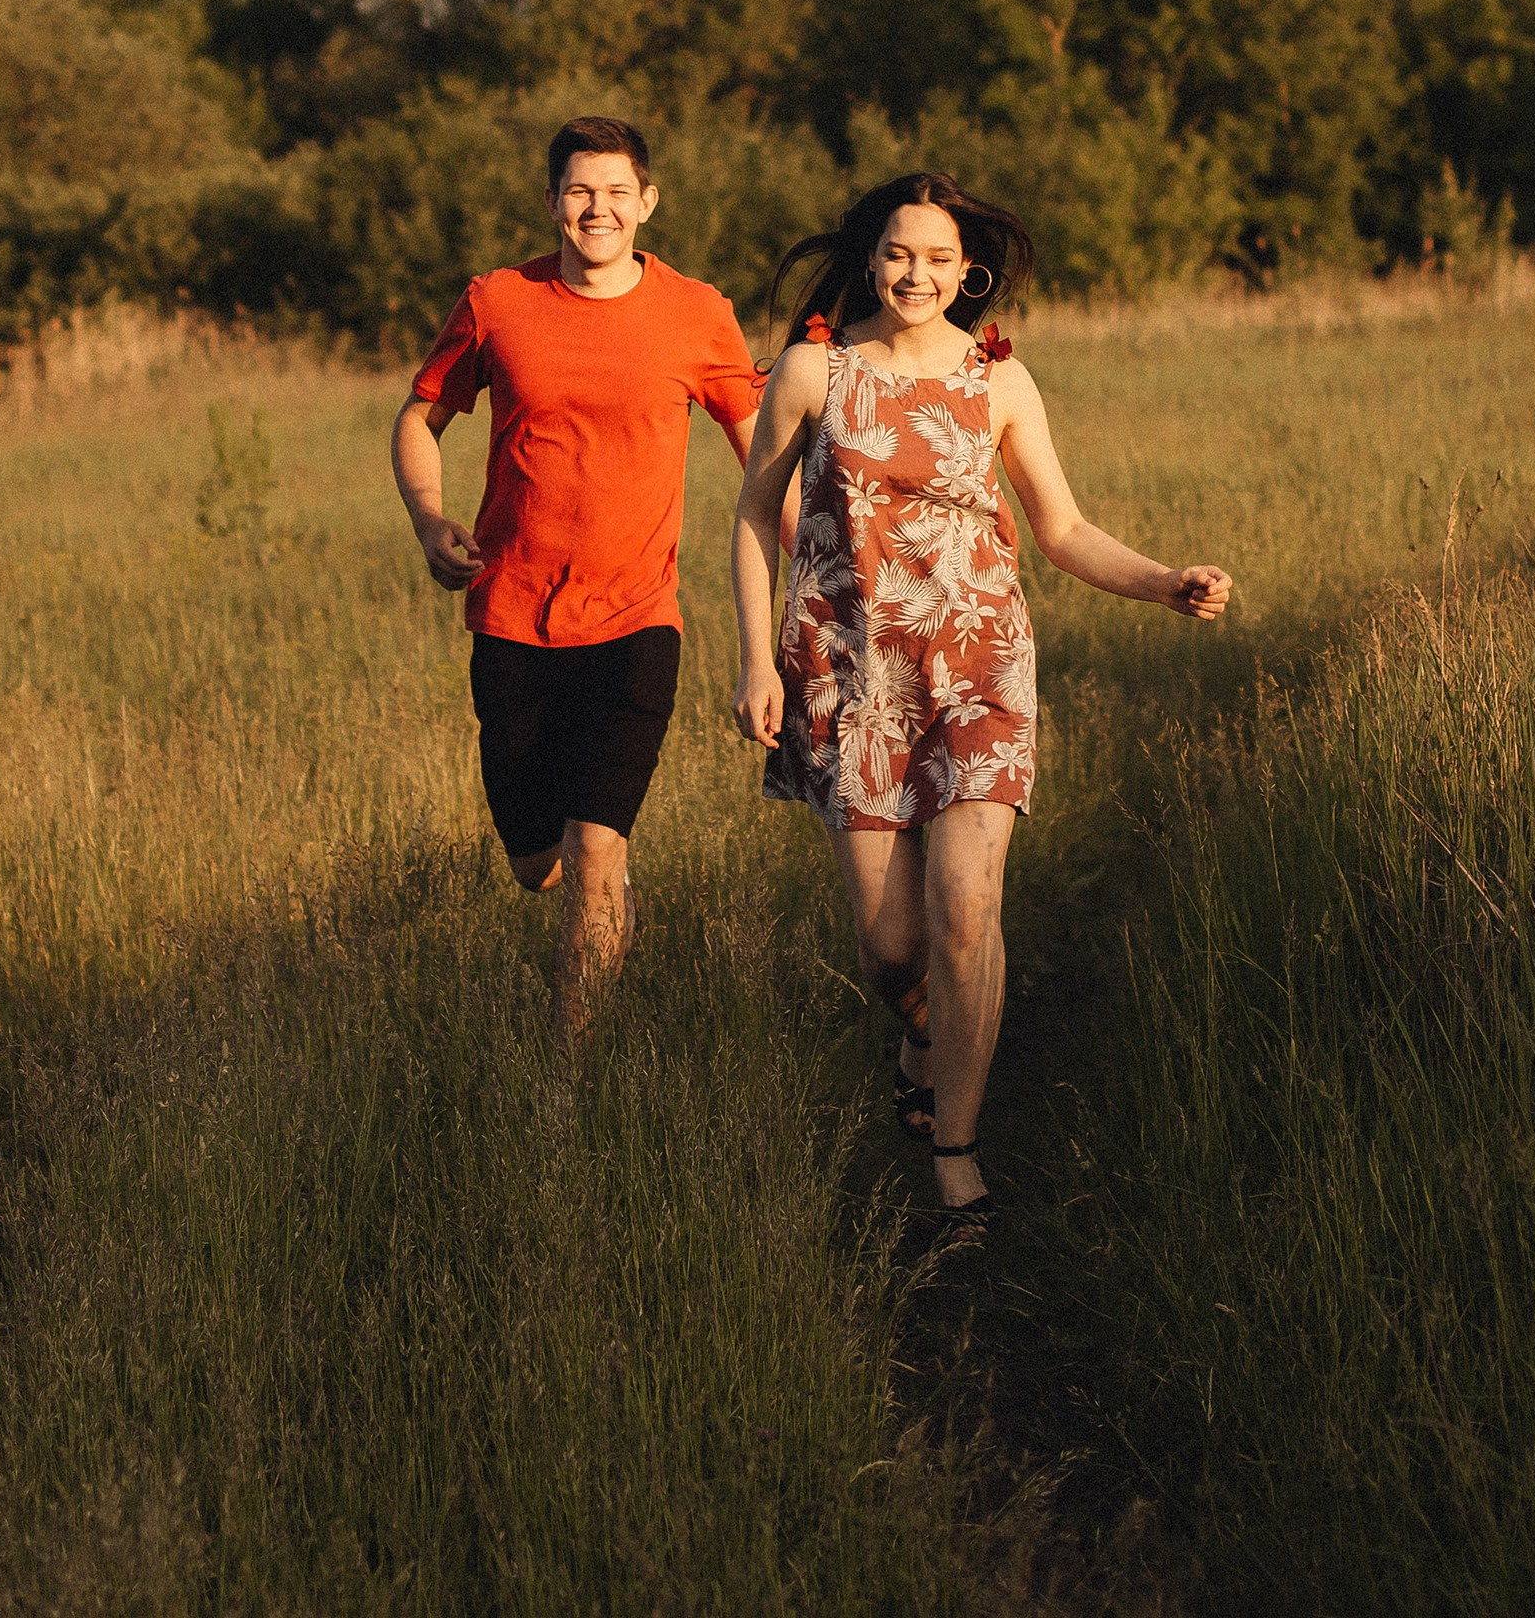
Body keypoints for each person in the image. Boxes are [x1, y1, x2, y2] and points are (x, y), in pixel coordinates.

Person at [731, 171, 1231, 1229]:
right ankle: (920, 1035)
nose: (916, 274)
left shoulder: (999, 383)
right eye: (898, 254)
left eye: (938, 258)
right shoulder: (815, 371)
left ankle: (955, 1148)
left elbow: (1061, 530)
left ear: (970, 272)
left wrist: (1163, 580)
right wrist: (752, 660)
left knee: (966, 916)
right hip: (848, 673)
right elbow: (749, 517)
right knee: (890, 946)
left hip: (977, 672)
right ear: (871, 258)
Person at [393, 115, 772, 1050]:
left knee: (598, 853)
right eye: (577, 191)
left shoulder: (696, 312)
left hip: (639, 620)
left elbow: (764, 453)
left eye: (614, 193)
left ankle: (568, 1079)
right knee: (537, 864)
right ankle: (592, 895)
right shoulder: (498, 301)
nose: (595, 209)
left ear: (647, 202)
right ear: (553, 200)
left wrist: (823, 562)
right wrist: (429, 518)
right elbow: (419, 416)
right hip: (512, 616)